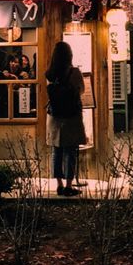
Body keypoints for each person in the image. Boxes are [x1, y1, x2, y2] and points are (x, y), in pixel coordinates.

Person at [45, 40, 86, 197]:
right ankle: (69, 185)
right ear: (69, 55)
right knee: (70, 150)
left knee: (57, 150)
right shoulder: (74, 72)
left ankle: (59, 185)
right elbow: (81, 90)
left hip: (54, 116)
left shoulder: (49, 73)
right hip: (71, 116)